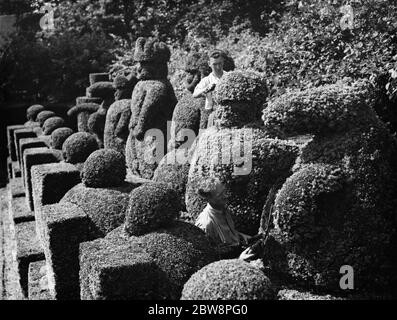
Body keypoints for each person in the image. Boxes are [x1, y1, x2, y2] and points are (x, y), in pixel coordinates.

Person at [194, 177, 257, 261]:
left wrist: (241, 236)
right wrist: (239, 260)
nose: (226, 196)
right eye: (220, 195)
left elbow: (229, 234)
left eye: (224, 192)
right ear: (209, 198)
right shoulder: (206, 224)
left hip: (238, 250)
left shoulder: (222, 208)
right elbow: (208, 261)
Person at [192, 49, 228, 127]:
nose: (218, 67)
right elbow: (195, 94)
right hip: (212, 114)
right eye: (214, 64)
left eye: (220, 63)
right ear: (209, 64)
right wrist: (206, 89)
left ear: (223, 62)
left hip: (228, 113)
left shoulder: (229, 77)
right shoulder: (207, 80)